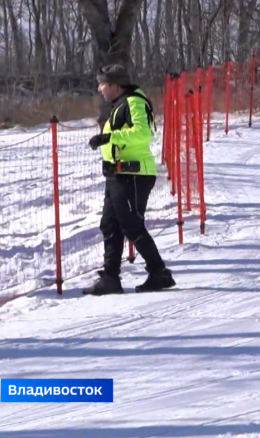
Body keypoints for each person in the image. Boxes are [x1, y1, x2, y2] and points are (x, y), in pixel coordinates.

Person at [83, 64, 175, 295]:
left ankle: (159, 272)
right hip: (117, 173)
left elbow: (144, 133)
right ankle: (110, 278)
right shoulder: (119, 105)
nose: (100, 88)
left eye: (102, 83)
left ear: (115, 84)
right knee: (110, 224)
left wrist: (109, 136)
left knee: (131, 225)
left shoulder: (134, 102)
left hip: (134, 174)